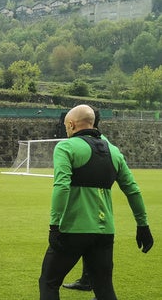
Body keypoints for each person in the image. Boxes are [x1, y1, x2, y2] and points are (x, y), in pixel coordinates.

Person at [38, 104, 154, 300]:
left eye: (67, 125)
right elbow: (133, 189)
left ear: (72, 125)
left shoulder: (66, 147)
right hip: (104, 232)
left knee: (49, 283)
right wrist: (143, 225)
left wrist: (54, 225)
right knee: (104, 288)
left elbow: (62, 187)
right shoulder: (114, 151)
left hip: (72, 229)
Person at [62, 105, 103, 292]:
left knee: (48, 278)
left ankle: (92, 283)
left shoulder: (98, 144)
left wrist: (55, 224)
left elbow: (61, 186)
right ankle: (89, 281)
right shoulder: (103, 144)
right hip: (100, 212)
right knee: (95, 250)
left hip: (89, 210)